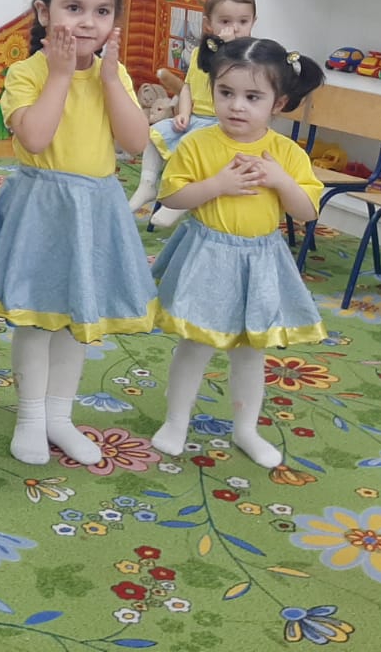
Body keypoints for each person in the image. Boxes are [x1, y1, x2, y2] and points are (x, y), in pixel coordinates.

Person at [0, 0, 156, 466]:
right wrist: (59, 75)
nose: (88, 22)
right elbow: (35, 136)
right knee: (36, 319)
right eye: (73, 8)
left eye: (102, 11)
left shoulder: (114, 75)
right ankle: (31, 417)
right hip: (42, 210)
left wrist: (112, 81)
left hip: (95, 213)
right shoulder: (27, 72)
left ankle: (59, 416)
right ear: (43, 13)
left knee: (78, 318)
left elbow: (136, 142)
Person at [149, 37, 326, 469]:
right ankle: (176, 421)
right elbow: (171, 197)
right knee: (195, 345)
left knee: (250, 351)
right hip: (208, 257)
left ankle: (246, 430)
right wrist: (217, 186)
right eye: (225, 92)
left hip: (261, 262)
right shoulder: (198, 144)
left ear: (278, 103)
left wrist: (281, 180)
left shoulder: (286, 153)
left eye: (252, 97)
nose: (236, 106)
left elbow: (307, 211)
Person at [129, 0, 257, 223]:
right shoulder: (200, 53)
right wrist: (184, 113)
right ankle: (147, 184)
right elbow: (188, 86)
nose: (235, 28)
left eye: (243, 21)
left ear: (253, 22)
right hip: (196, 119)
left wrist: (227, 50)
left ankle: (183, 198)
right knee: (156, 133)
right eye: (225, 21)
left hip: (225, 125)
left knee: (192, 146)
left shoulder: (249, 58)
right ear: (209, 24)